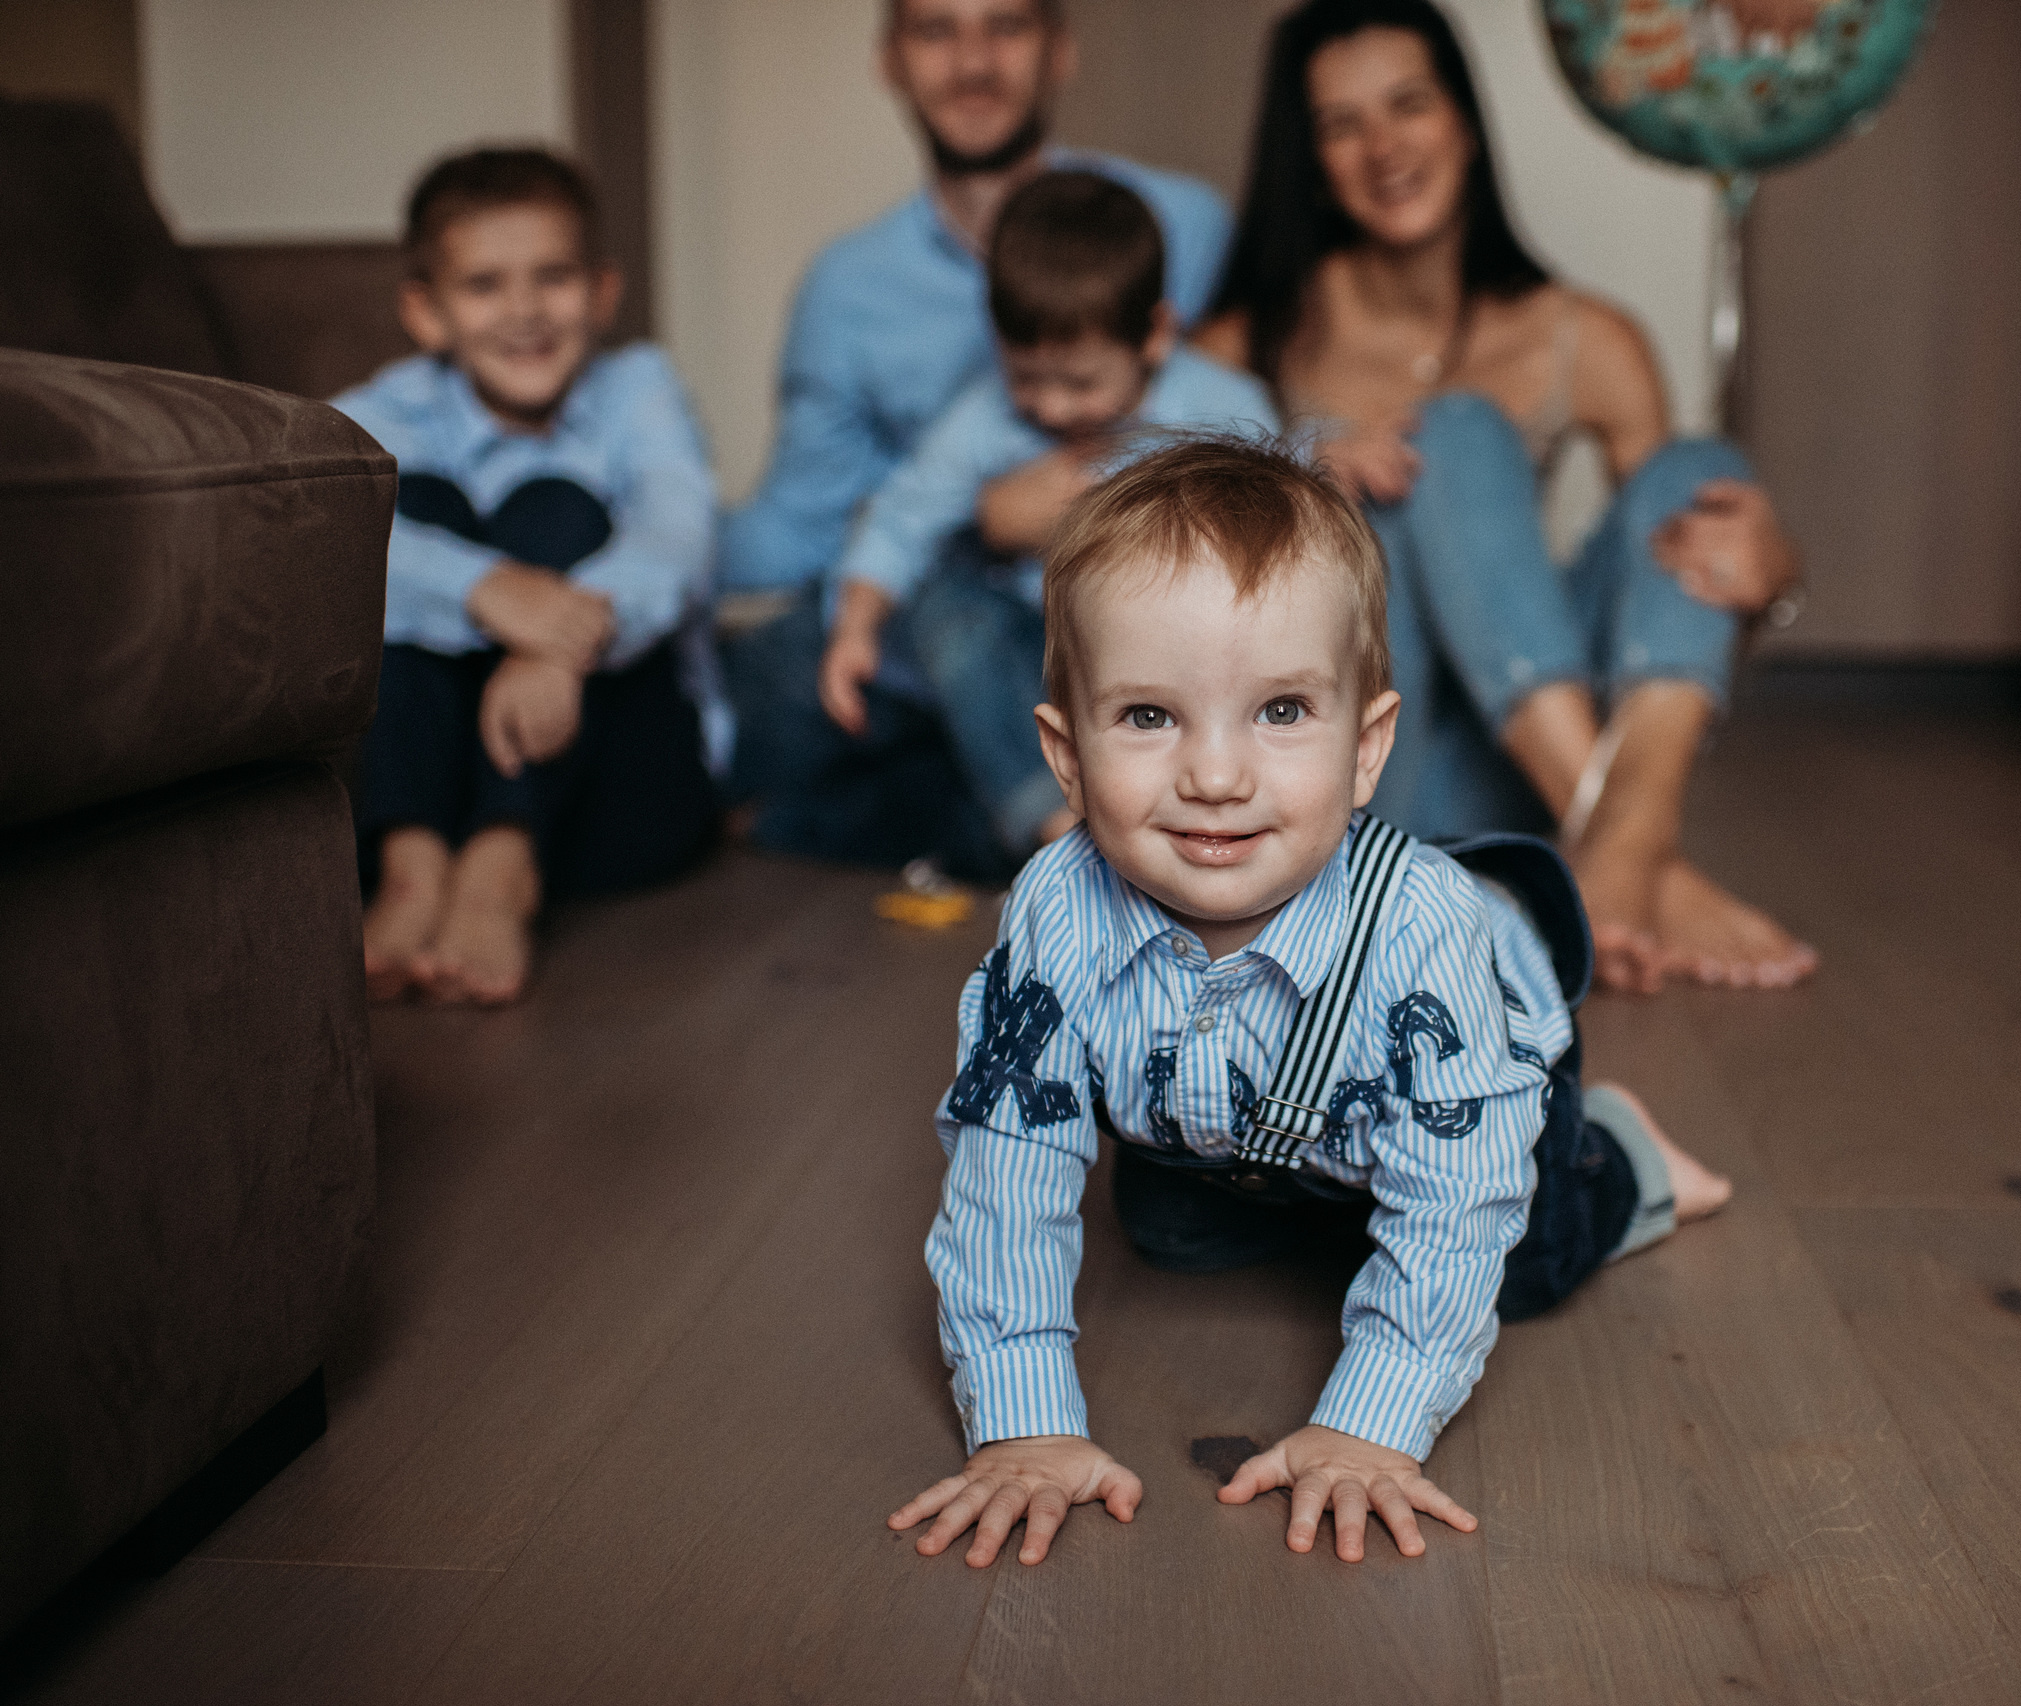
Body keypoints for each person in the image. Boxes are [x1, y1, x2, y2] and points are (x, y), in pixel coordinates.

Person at [888, 437, 1732, 1571]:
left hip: (1466, 1092)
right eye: (1148, 717)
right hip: (1237, 1110)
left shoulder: (1424, 929)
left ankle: (1616, 1152)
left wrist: (1366, 1421)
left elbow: (1452, 1200)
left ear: (1367, 744)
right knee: (1165, 1230)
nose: (1217, 776)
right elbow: (1007, 1161)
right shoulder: (1054, 906)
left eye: (1281, 711)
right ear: (1068, 755)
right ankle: (1317, 1192)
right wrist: (1024, 1419)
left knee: (1518, 1254)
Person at [1194, 0, 1817, 995]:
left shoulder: (1587, 338)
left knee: (1697, 467)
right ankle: (1623, 847)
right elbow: (1163, 579)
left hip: (1513, 758)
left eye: (1409, 105)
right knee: (1456, 429)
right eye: (1341, 124)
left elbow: (1661, 600)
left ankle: (1619, 828)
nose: (1383, 146)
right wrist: (1303, 471)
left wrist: (1773, 573)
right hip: (1369, 759)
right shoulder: (1250, 343)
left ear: (1465, 123)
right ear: (1309, 157)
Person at [720, 0, 1234, 873]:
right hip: (943, 613)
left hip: (1137, 616)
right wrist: (649, 568)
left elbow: (1258, 437)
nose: (973, 61)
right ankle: (1006, 814)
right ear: (890, 60)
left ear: (1060, 50)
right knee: (756, 682)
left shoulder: (1190, 224)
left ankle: (990, 815)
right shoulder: (846, 288)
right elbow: (826, 514)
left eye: (1006, 26)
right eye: (935, 30)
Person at [339, 147, 721, 1007]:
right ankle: (413, 864)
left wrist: (558, 644)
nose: (523, 312)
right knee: (400, 504)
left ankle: (500, 864)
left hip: (617, 796)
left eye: (553, 277)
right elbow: (311, 537)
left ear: (603, 290)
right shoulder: (384, 410)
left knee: (554, 503)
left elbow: (678, 534)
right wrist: (487, 592)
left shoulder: (639, 388)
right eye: (482, 286)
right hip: (432, 782)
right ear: (425, 311)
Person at [819, 170, 1279, 861]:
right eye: (1027, 377)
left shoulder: (1219, 408)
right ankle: (1057, 828)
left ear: (1156, 334)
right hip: (1030, 652)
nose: (1054, 408)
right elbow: (903, 515)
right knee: (948, 608)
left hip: (1177, 648)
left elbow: (1286, 524)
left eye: (1082, 382)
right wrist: (855, 626)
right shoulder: (987, 416)